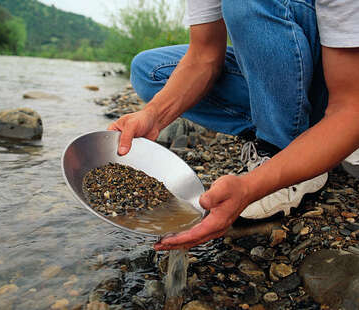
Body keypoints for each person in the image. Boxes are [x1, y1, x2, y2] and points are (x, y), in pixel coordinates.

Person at [108, 0, 359, 250]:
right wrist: (154, 115)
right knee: (149, 72)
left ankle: (283, 151)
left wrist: (249, 187)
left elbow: (350, 108)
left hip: (340, 74)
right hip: (291, 68)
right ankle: (292, 132)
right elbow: (203, 56)